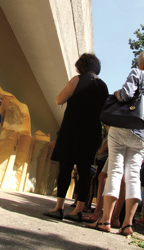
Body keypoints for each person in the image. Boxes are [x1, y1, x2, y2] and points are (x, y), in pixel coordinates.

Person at [92, 49, 144, 236]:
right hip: (142, 134)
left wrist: (115, 94)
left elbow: (125, 95)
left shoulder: (137, 73)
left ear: (143, 62)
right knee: (133, 176)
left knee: (115, 171)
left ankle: (105, 220)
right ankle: (127, 224)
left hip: (122, 126)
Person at [43, 53, 109, 221]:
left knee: (65, 167)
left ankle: (59, 207)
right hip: (92, 132)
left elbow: (59, 99)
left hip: (72, 129)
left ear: (82, 66)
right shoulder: (103, 86)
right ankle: (78, 210)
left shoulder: (77, 80)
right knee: (85, 170)